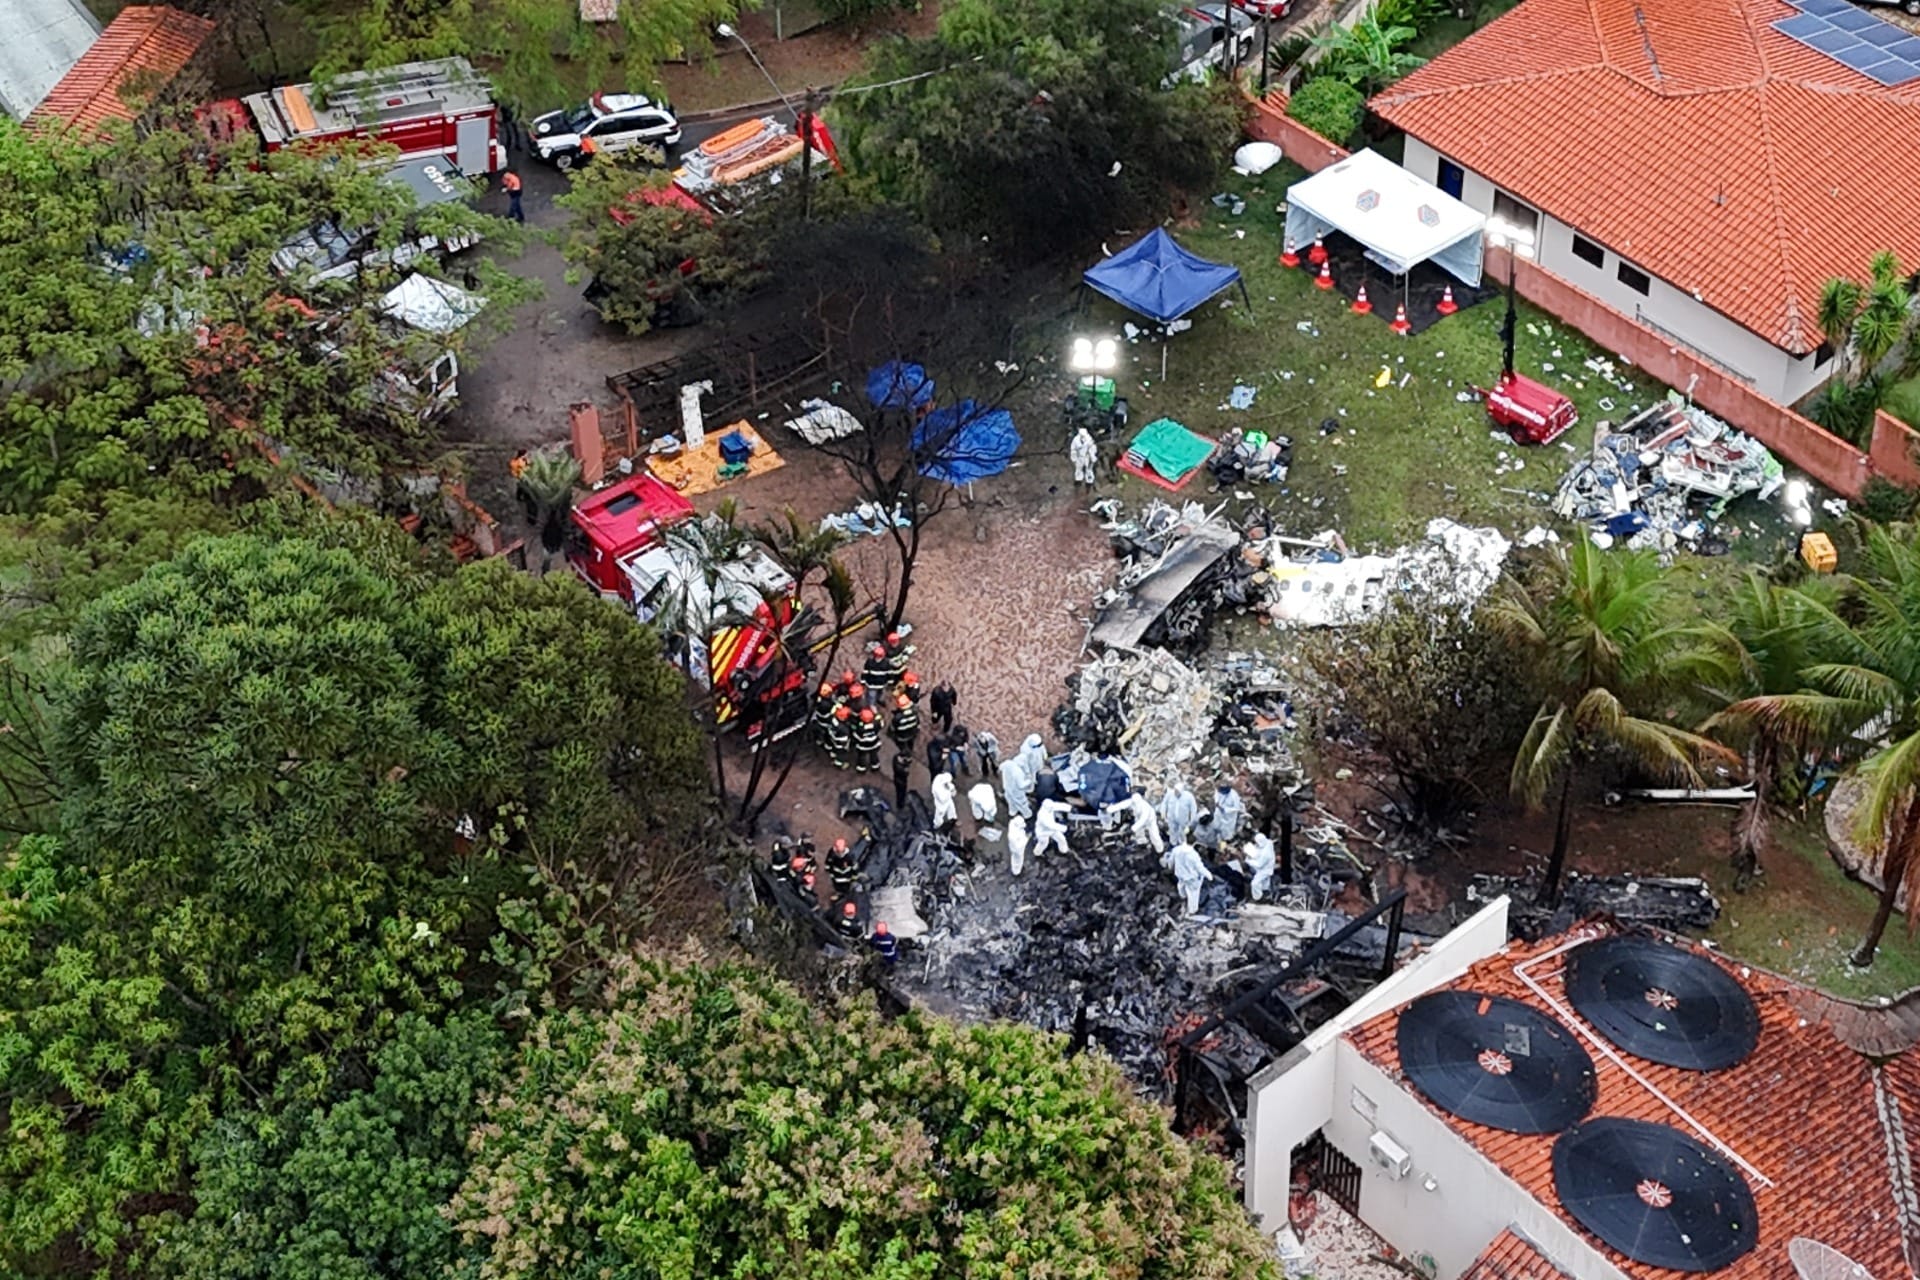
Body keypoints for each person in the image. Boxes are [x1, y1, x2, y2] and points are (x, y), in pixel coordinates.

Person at [1163, 841, 1214, 916]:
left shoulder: (1176, 850)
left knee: (1181, 888)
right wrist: (1210, 877)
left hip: (1180, 876)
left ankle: (1183, 898)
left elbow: (1171, 862)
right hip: (1191, 878)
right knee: (1193, 895)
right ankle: (1192, 912)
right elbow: (1200, 868)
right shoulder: (1193, 855)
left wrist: (1170, 867)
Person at [1159, 779, 1197, 847]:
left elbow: (1193, 809)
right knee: (1172, 833)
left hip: (1183, 819)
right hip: (1171, 818)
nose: (1176, 792)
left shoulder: (1189, 796)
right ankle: (1173, 845)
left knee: (1182, 834)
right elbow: (1164, 804)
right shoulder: (1170, 794)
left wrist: (1191, 820)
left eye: (1177, 791)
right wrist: (1163, 815)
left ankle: (1182, 846)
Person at [1243, 832, 1276, 901]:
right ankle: (1266, 895)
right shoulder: (1268, 843)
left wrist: (1248, 861)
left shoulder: (1266, 854)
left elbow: (1259, 864)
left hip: (1264, 870)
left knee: (1255, 883)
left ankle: (1258, 898)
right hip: (1266, 867)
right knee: (1264, 885)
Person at [1000, 753, 1034, 819]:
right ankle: (1028, 816)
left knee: (1011, 803)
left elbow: (1001, 767)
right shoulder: (1018, 772)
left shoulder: (1008, 763)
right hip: (1017, 792)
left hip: (1007, 789)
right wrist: (1029, 781)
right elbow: (1021, 785)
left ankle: (1012, 813)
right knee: (1022, 805)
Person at [852, 707, 882, 772]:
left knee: (862, 757)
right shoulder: (876, 723)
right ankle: (875, 767)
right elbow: (881, 725)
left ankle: (861, 768)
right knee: (874, 755)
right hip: (874, 743)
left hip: (863, 746)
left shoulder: (860, 727)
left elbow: (856, 735)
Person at [827, 704, 852, 770]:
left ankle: (833, 754)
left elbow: (831, 714)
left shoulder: (833, 719)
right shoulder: (843, 729)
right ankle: (839, 763)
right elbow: (846, 737)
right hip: (841, 742)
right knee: (842, 753)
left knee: (834, 747)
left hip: (833, 738)